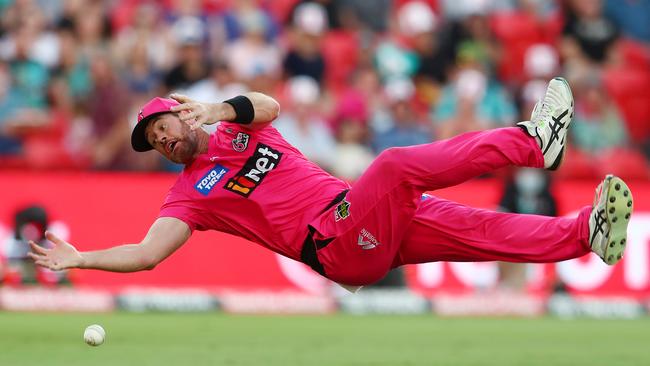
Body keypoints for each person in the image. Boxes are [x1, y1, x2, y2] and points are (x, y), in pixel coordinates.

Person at [28, 77, 634, 291]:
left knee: (475, 228)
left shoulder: (238, 128)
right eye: (151, 142)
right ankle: (533, 142)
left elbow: (266, 106)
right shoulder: (190, 193)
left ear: (178, 113)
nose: (158, 142)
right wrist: (82, 259)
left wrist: (215, 109)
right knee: (395, 164)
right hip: (333, 242)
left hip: (359, 221)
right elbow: (148, 254)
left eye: (159, 128)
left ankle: (586, 232)